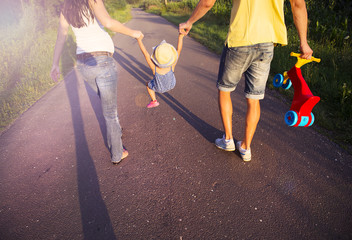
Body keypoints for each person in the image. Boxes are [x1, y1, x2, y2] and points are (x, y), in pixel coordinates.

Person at [179, 0, 313, 161]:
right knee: (254, 98)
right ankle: (246, 147)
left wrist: (189, 22)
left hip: (239, 40)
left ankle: (228, 139)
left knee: (225, 89)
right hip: (267, 43)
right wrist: (303, 42)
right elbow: (298, 4)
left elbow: (207, 3)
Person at [50, 0, 143, 164]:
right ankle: (117, 153)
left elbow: (60, 37)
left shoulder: (66, 7)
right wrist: (133, 32)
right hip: (102, 60)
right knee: (110, 112)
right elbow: (107, 22)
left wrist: (54, 64)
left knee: (106, 104)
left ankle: (115, 132)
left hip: (84, 65)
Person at [137, 33, 184, 108]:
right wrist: (181, 36)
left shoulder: (154, 68)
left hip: (159, 88)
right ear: (172, 57)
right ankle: (154, 100)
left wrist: (139, 40)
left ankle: (154, 101)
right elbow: (179, 50)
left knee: (148, 84)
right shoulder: (172, 66)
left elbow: (145, 54)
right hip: (172, 84)